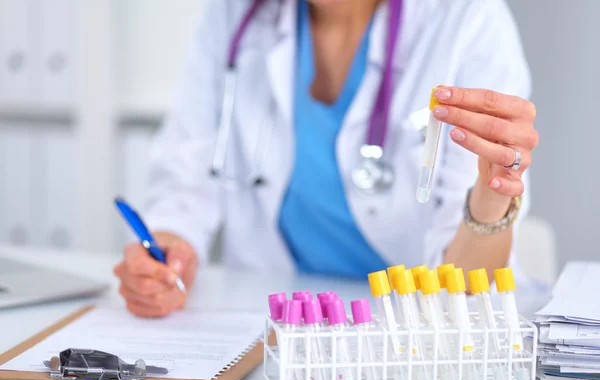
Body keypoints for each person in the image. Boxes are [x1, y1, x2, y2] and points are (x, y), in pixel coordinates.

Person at [113, 0, 539, 317]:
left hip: (412, 331)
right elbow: (186, 172)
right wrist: (167, 252)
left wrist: (492, 196)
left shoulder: (466, 21)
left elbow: (465, 285)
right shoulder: (236, 13)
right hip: (275, 322)